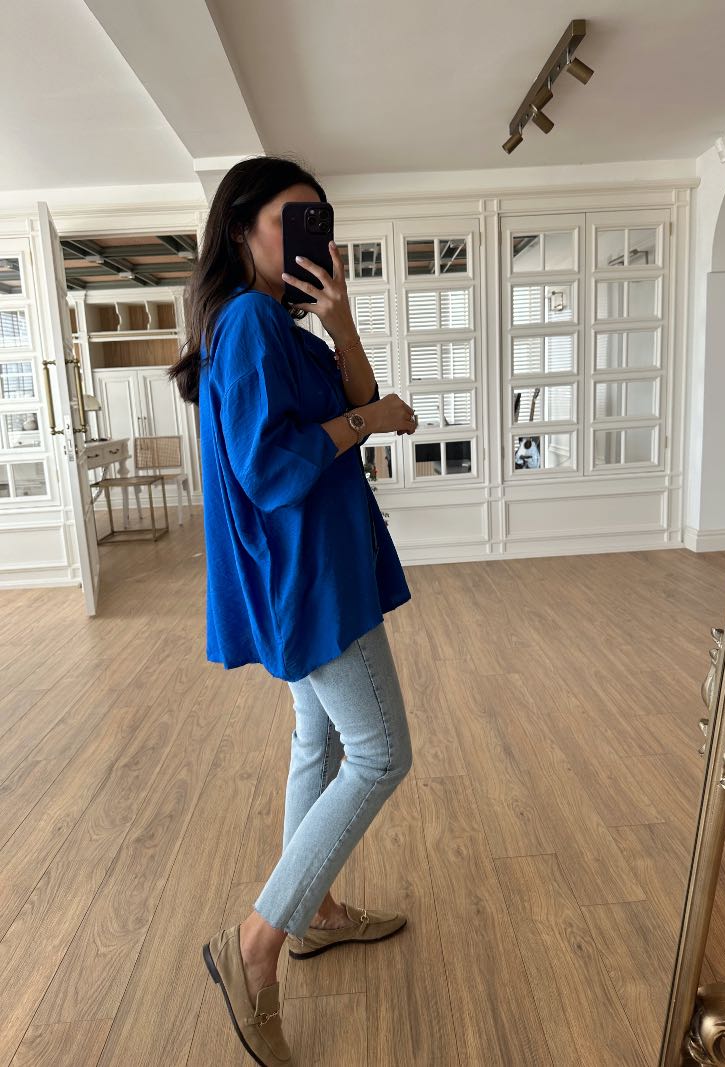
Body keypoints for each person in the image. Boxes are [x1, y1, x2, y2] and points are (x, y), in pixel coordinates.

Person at [169, 156, 417, 1067]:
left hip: (317, 566)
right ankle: (257, 942)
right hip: (311, 575)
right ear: (241, 228)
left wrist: (342, 322)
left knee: (317, 740)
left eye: (322, 222)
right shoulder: (246, 321)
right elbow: (273, 468)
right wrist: (372, 423)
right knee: (381, 752)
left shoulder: (282, 324)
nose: (313, 236)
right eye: (292, 217)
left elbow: (358, 397)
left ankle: (313, 910)